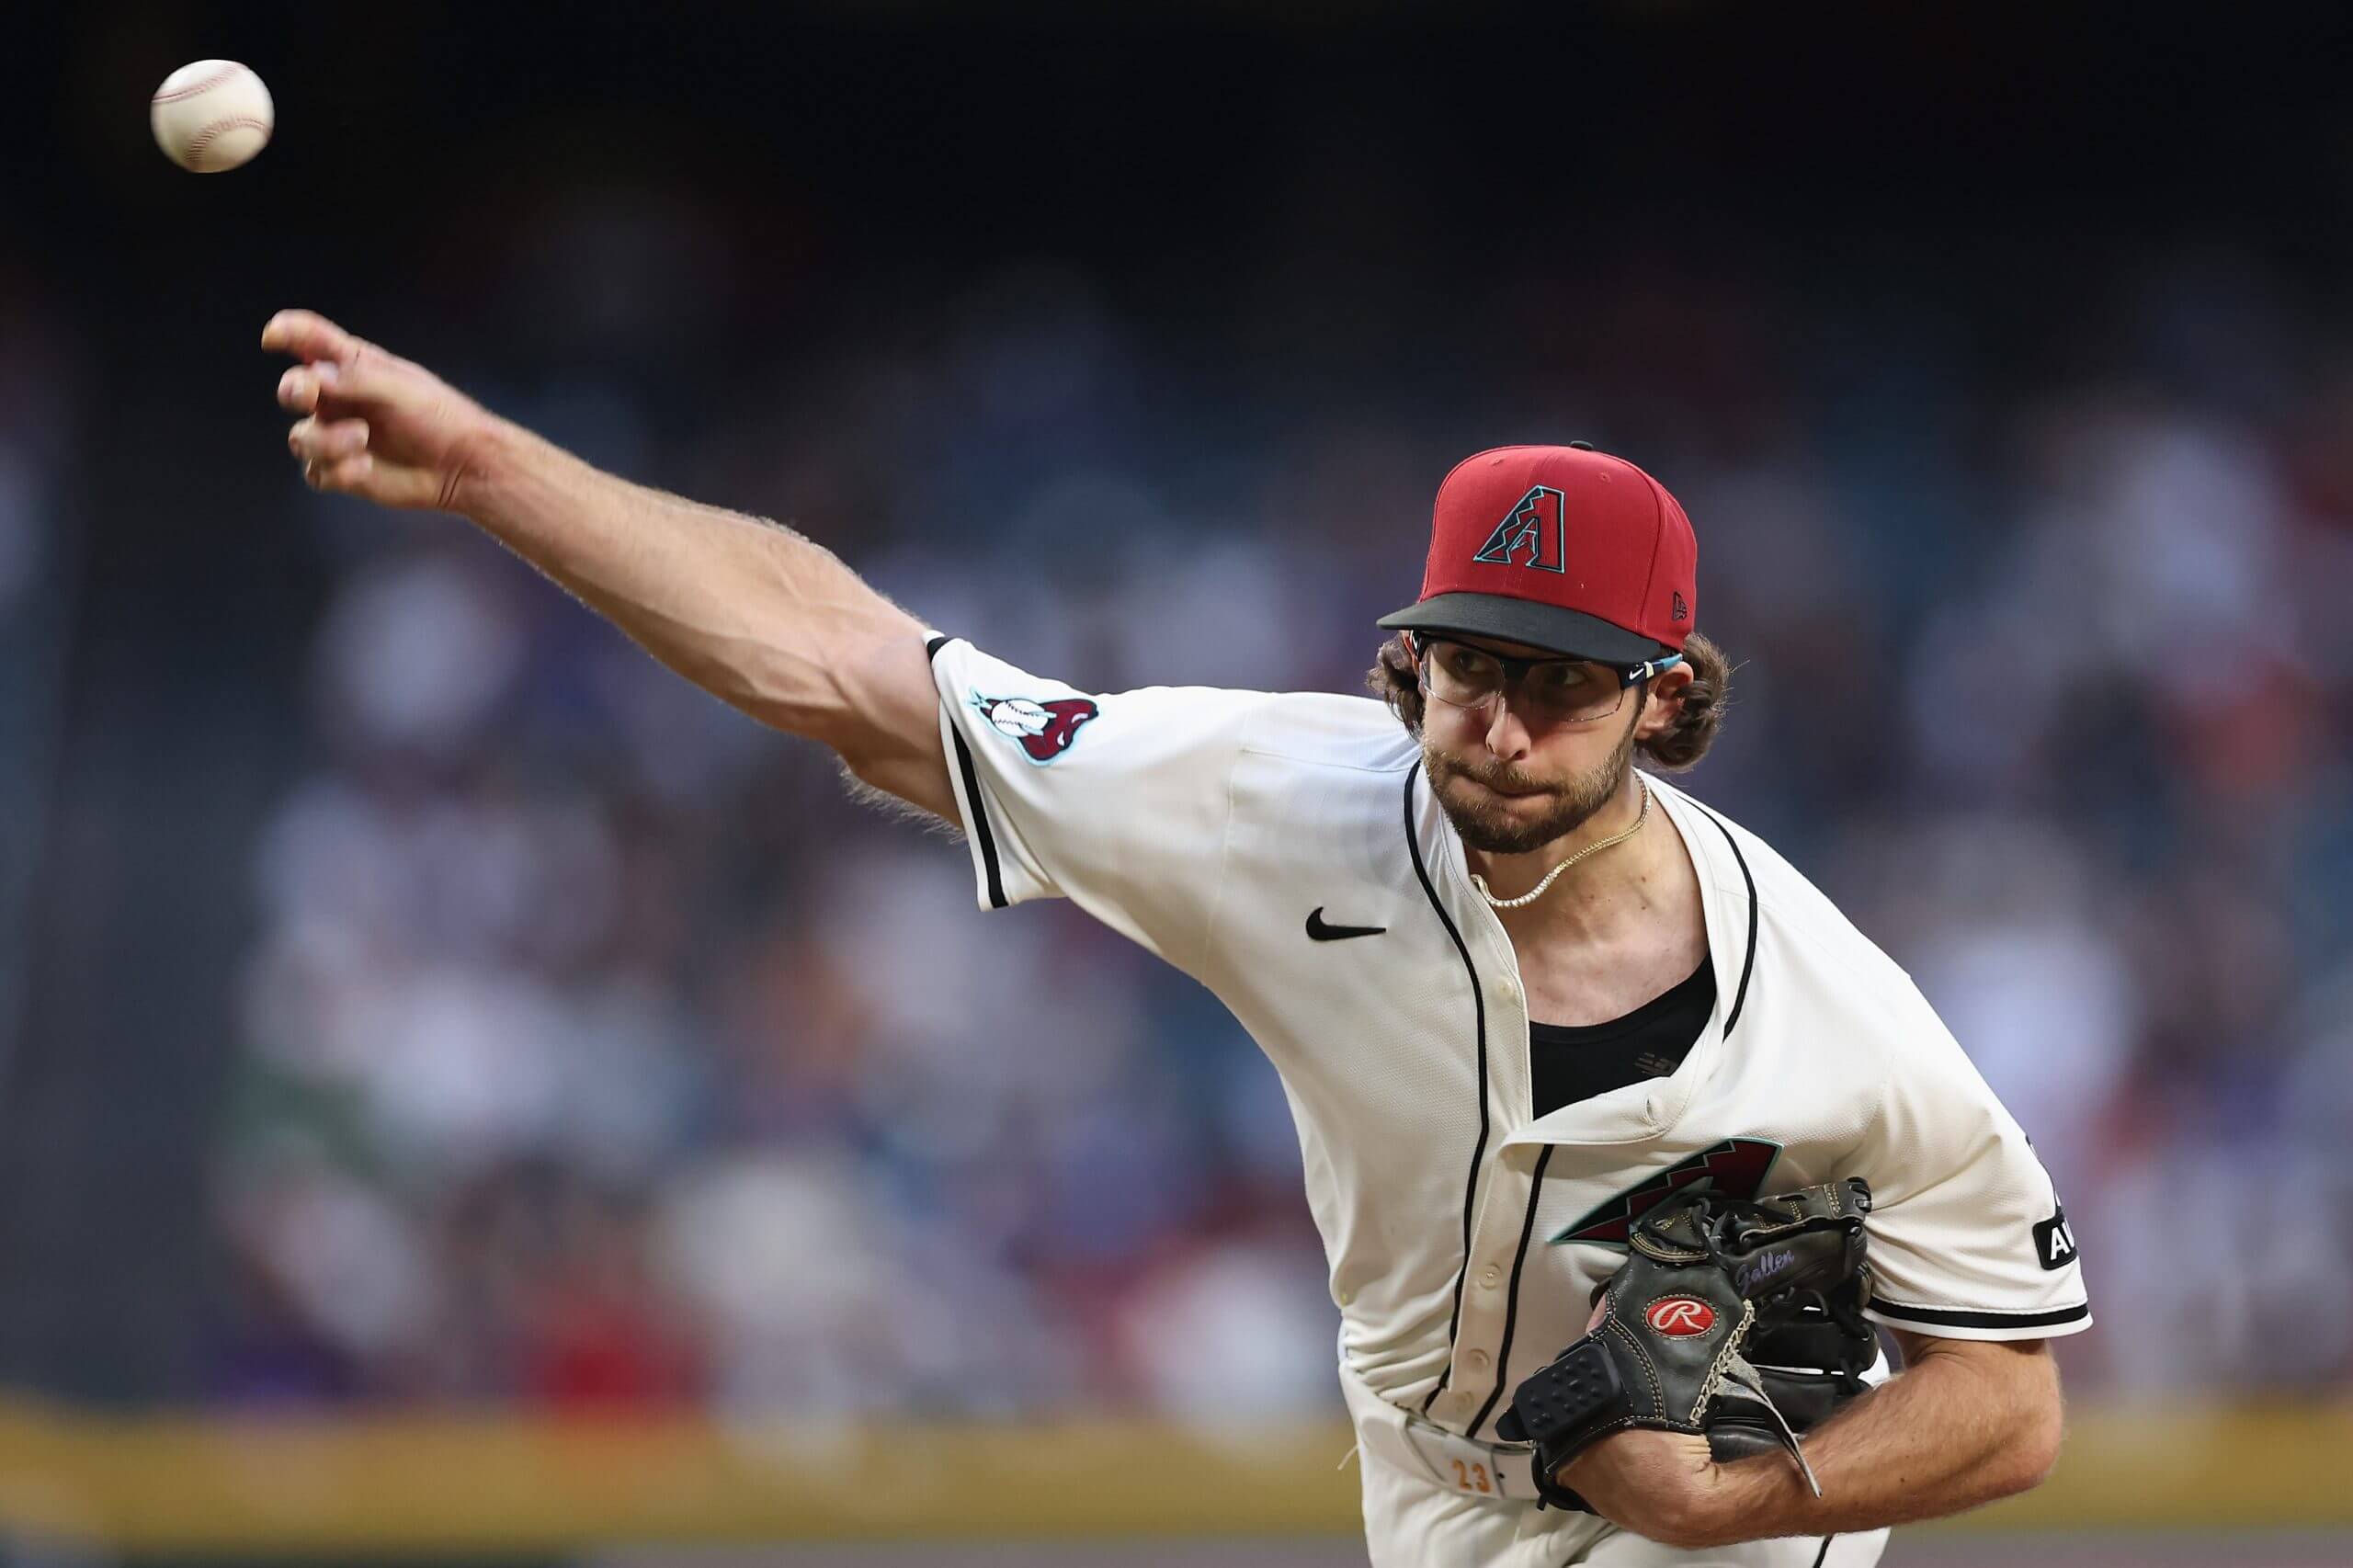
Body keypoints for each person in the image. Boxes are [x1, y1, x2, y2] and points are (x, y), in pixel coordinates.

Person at [261, 310, 2089, 1566]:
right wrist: (493, 466)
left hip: (1734, 1497)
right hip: (1438, 1493)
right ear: (1406, 664)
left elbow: (2009, 1396)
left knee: (1744, 1296)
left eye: (1561, 681)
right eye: (1470, 667)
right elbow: (850, 671)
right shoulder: (1278, 799)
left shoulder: (1830, 1013)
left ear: (1665, 698)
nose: (1501, 725)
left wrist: (1736, 1502)